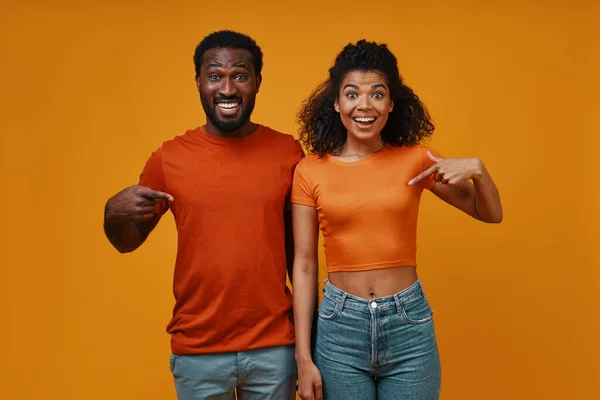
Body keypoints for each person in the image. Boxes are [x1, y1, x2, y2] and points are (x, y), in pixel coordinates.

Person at [291, 40, 503, 400]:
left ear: (391, 103)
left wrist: (479, 172)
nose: (364, 105)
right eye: (352, 93)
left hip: (408, 323)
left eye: (377, 94)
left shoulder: (417, 160)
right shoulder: (310, 171)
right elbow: (306, 265)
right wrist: (303, 356)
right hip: (340, 327)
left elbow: (491, 214)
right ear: (337, 103)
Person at [103, 30, 304, 400]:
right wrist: (112, 214)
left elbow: (300, 256)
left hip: (274, 346)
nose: (227, 88)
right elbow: (127, 243)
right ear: (199, 81)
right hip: (198, 349)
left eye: (239, 75)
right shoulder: (169, 159)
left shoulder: (287, 152)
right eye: (215, 76)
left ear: (257, 80)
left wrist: (308, 342)